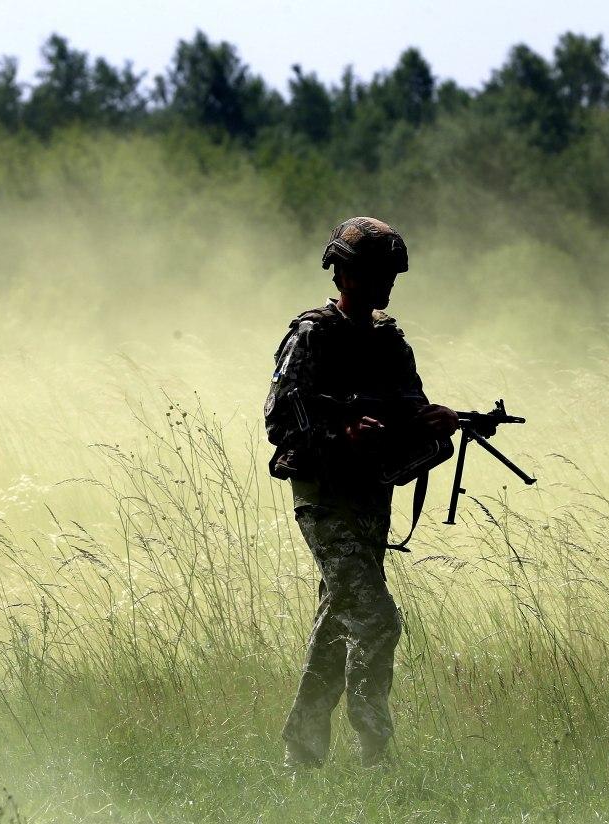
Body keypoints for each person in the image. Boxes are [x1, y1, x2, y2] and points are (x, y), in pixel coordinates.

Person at [263, 216, 458, 769]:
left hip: (371, 500)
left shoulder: (391, 346)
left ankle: (300, 755)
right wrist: (339, 433)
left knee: (338, 622)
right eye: (375, 275)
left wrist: (432, 422)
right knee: (377, 618)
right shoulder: (312, 337)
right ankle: (377, 753)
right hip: (324, 499)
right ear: (344, 275)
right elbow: (281, 422)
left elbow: (409, 411)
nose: (386, 287)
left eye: (390, 276)